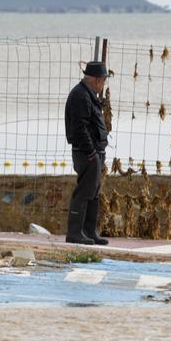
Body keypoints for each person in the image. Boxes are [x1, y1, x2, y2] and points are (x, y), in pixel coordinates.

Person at [64, 60, 110, 245]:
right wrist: (91, 152)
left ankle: (90, 232)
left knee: (94, 192)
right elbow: (80, 127)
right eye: (103, 80)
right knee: (84, 192)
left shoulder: (88, 94)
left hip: (95, 152)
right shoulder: (81, 96)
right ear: (97, 80)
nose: (104, 84)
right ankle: (75, 233)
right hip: (86, 153)